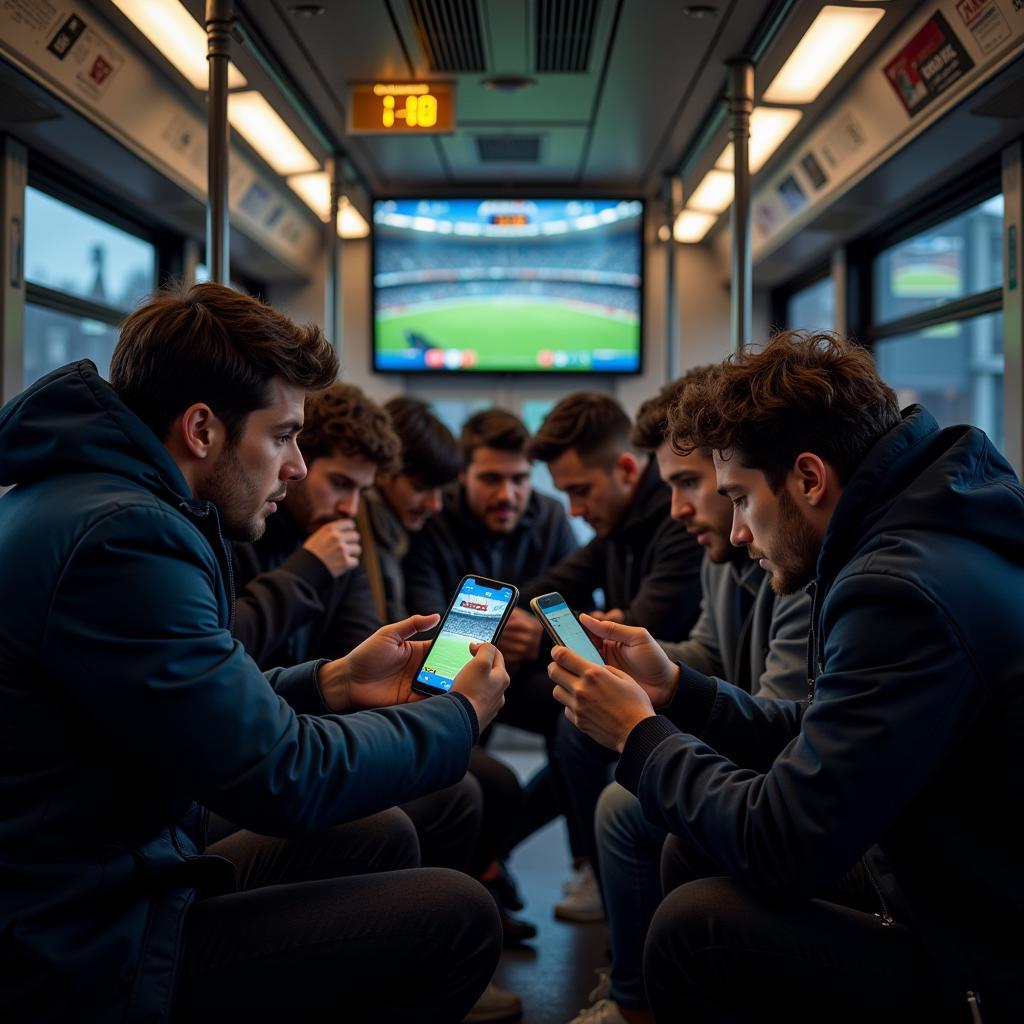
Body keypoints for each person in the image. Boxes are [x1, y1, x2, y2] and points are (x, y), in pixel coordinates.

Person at [0, 283, 508, 1024]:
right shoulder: (125, 538)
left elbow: (200, 697)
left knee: (382, 832)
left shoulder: (94, 500)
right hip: (81, 946)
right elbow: (282, 777)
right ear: (202, 428)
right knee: (458, 917)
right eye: (283, 436)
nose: (297, 466)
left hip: (104, 873)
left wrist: (330, 681)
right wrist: (459, 714)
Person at [549, 331, 1024, 1023]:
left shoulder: (898, 590)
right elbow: (822, 733)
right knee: (690, 849)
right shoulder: (921, 535)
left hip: (979, 951)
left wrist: (640, 735)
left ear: (808, 478)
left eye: (739, 498)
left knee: (695, 929)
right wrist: (680, 692)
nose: (737, 532)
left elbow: (784, 845)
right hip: (946, 876)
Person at [564, 369, 811, 1024]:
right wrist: (650, 662)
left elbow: (780, 727)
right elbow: (706, 652)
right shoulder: (721, 554)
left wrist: (652, 714)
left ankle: (633, 997)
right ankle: (635, 975)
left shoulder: (801, 569)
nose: (679, 508)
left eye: (691, 484)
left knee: (624, 803)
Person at [522, 391, 703, 917]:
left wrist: (536, 639)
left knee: (573, 728)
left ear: (627, 467)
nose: (574, 509)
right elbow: (555, 583)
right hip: (663, 680)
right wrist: (515, 617)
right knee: (549, 707)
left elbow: (647, 630)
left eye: (580, 491)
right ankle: (583, 865)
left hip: (677, 687)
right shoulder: (618, 526)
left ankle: (605, 883)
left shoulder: (677, 526)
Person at [232, 381, 400, 667]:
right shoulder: (236, 524)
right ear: (299, 461)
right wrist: (309, 569)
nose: (351, 508)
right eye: (340, 483)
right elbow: (222, 648)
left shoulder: (338, 535)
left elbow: (357, 656)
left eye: (361, 491)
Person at [357, 396, 462, 623]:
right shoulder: (355, 527)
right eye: (420, 488)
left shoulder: (394, 529)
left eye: (440, 490)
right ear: (384, 471)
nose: (435, 504)